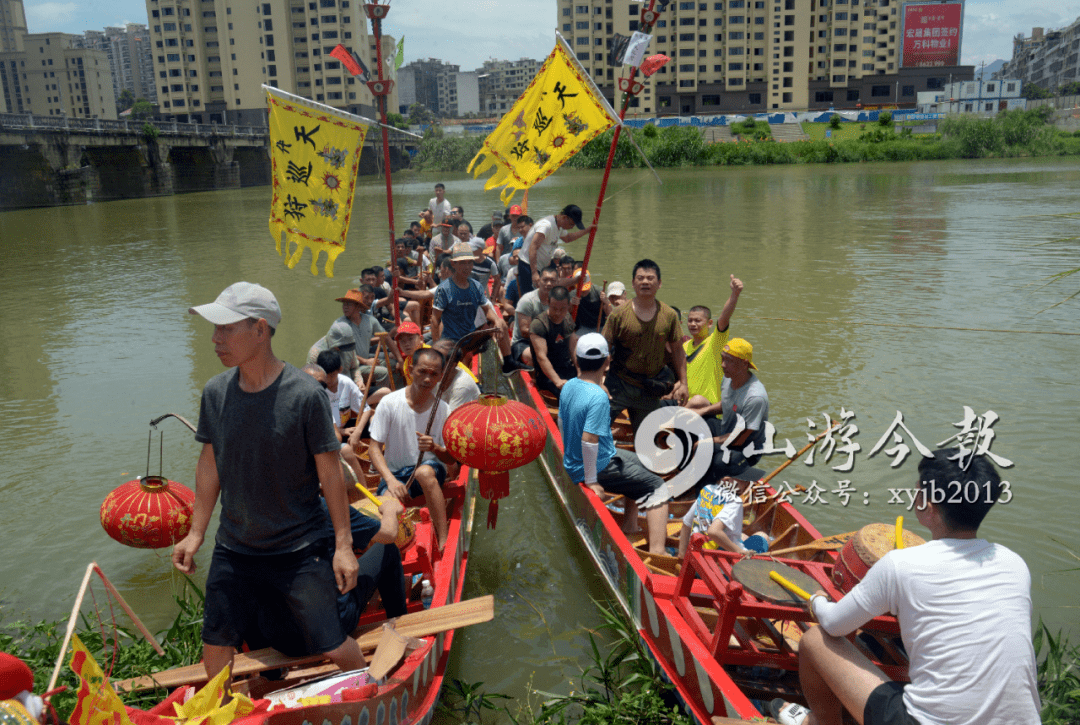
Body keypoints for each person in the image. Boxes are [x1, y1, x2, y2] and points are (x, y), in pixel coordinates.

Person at [173, 282, 365, 688]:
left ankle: (369, 687)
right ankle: (223, 710)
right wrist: (195, 533)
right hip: (235, 545)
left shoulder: (305, 396)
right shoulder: (216, 393)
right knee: (217, 641)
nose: (215, 339)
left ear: (260, 330)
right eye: (214, 329)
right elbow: (210, 464)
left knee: (330, 641)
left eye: (225, 328)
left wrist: (344, 547)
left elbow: (331, 475)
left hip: (297, 547)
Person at [773, 449, 1041, 725]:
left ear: (929, 506)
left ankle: (819, 722)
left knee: (816, 639)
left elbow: (834, 624)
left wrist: (817, 600)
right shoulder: (1015, 564)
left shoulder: (901, 564)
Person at [558, 334, 670, 555]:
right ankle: (658, 551)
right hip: (597, 466)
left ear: (577, 361)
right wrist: (591, 481)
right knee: (659, 487)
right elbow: (589, 440)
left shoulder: (569, 385)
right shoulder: (598, 395)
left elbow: (563, 421)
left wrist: (570, 457)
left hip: (587, 458)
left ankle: (631, 524)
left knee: (645, 463)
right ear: (607, 362)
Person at [367, 347, 457, 550]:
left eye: (434, 374)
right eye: (422, 371)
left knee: (424, 472)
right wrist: (390, 480)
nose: (427, 379)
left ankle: (443, 539)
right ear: (411, 370)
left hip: (428, 471)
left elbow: (451, 459)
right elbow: (374, 448)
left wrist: (435, 447)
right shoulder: (389, 403)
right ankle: (394, 554)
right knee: (388, 507)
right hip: (396, 476)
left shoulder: (443, 409)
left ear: (440, 377)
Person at [602, 259, 687, 432]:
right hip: (619, 383)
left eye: (650, 278)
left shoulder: (669, 315)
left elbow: (678, 350)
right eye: (640, 278)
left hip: (649, 388)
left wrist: (684, 383)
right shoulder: (618, 315)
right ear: (633, 283)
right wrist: (598, 381)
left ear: (659, 283)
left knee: (647, 440)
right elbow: (603, 348)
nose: (645, 282)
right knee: (597, 430)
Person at [432, 242, 528, 376]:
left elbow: (487, 310)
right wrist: (437, 349)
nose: (467, 267)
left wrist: (497, 320)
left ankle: (508, 363)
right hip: (452, 342)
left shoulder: (476, 286)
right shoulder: (444, 289)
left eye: (469, 263)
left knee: (501, 325)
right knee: (452, 376)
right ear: (453, 264)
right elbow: (435, 320)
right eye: (462, 263)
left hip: (470, 337)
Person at [698, 338, 768, 482]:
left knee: (719, 460)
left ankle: (715, 484)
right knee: (695, 422)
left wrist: (707, 441)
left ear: (744, 364)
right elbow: (727, 404)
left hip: (744, 448)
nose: (723, 365)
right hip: (726, 432)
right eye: (723, 359)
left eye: (729, 361)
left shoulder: (755, 397)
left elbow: (738, 439)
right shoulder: (729, 377)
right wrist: (701, 411)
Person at [681, 275, 744, 412]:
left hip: (707, 407)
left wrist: (735, 294)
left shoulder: (715, 342)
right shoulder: (684, 346)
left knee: (697, 401)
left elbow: (724, 318)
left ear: (709, 323)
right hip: (686, 403)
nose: (692, 324)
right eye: (690, 320)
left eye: (697, 321)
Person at [676, 477, 768, 557]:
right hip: (717, 564)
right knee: (762, 536)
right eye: (744, 481)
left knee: (743, 536)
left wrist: (682, 556)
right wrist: (739, 551)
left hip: (696, 554)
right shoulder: (735, 501)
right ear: (727, 480)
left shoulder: (707, 490)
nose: (748, 484)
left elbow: (687, 523)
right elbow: (714, 531)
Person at [518, 205, 593, 296]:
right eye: (572, 224)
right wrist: (534, 273)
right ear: (565, 217)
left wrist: (588, 230)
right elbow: (533, 247)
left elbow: (567, 238)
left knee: (555, 284)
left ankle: (574, 281)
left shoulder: (559, 226)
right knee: (532, 296)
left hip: (543, 265)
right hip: (528, 265)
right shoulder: (546, 225)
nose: (572, 227)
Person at [335, 286, 398, 390]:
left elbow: (386, 338)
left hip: (365, 360)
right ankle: (379, 398)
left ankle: (390, 392)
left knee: (394, 365)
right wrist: (365, 361)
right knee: (383, 372)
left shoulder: (369, 320)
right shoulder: (340, 325)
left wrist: (400, 359)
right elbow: (344, 351)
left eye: (349, 304)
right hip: (352, 367)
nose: (345, 307)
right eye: (344, 304)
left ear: (358, 306)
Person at [529, 286, 577, 397]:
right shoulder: (539, 325)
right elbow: (541, 357)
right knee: (570, 395)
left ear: (569, 305)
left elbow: (573, 349)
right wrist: (557, 381)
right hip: (547, 375)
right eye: (554, 308)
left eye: (562, 309)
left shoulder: (568, 318)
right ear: (547, 302)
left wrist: (581, 372)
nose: (558, 313)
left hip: (566, 368)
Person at [511, 264, 558, 368]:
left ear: (557, 283)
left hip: (548, 340)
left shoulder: (558, 301)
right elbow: (524, 331)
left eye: (552, 280)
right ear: (539, 282)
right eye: (545, 280)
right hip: (523, 343)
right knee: (535, 357)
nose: (549, 283)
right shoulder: (528, 300)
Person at [430, 339, 481, 412]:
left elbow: (451, 420)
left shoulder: (461, 386)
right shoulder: (433, 375)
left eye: (437, 361)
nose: (431, 364)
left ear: (452, 365)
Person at [308, 319, 361, 385]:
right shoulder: (315, 353)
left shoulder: (348, 346)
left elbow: (355, 368)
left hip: (349, 387)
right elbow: (312, 380)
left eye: (346, 346)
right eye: (341, 346)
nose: (344, 349)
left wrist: (359, 381)